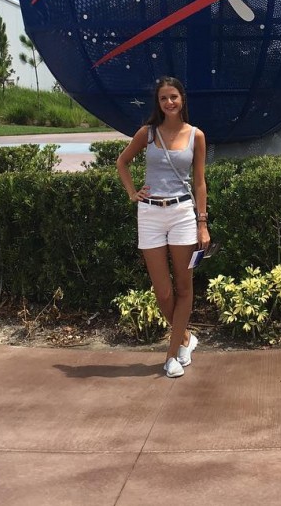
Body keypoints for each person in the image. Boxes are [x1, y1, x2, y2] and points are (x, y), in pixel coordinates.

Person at [117, 77, 209, 378]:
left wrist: (202, 223)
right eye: (163, 98)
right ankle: (186, 338)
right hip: (150, 214)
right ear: (158, 103)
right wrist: (132, 193)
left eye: (173, 97)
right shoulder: (148, 133)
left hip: (182, 213)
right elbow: (122, 162)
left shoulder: (196, 135)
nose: (169, 102)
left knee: (184, 287)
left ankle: (171, 356)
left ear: (182, 99)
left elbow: (199, 182)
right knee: (163, 292)